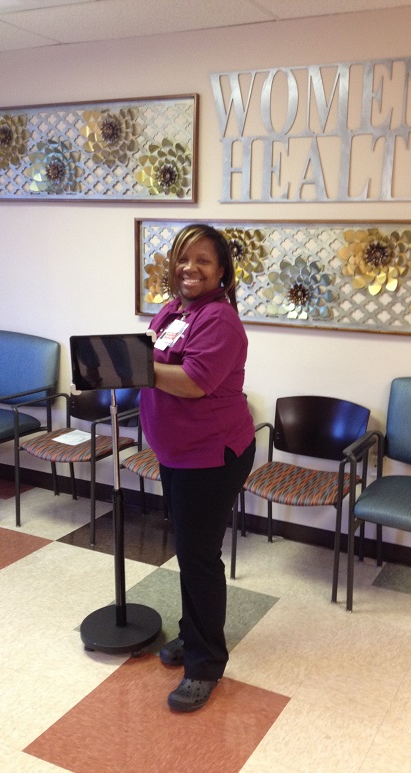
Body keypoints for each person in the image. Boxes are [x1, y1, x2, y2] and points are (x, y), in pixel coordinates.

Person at [139, 223, 256, 713]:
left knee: (199, 557)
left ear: (222, 271)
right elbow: (152, 355)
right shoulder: (172, 311)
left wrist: (129, 366)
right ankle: (192, 635)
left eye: (204, 261)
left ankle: (205, 664)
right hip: (177, 454)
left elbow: (192, 382)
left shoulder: (220, 320)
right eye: (184, 259)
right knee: (189, 551)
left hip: (211, 456)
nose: (191, 268)